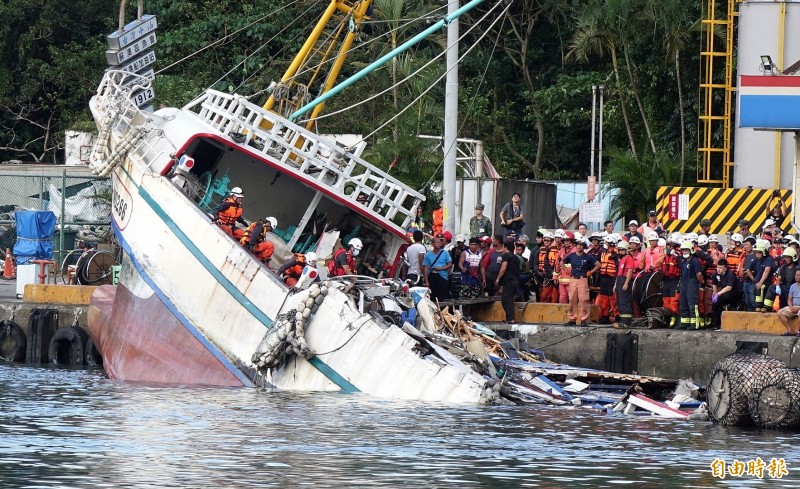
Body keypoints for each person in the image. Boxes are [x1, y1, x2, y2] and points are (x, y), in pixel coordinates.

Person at [562, 238, 600, 326]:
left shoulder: (588, 256)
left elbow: (598, 265)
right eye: (578, 245)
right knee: (572, 299)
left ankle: (584, 319)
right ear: (576, 245)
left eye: (581, 245)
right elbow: (561, 262)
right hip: (573, 279)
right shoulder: (571, 255)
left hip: (583, 279)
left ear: (583, 246)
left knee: (583, 299)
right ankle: (572, 319)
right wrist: (566, 271)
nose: (579, 247)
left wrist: (590, 272)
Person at [677, 241, 704, 330]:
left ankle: (695, 324)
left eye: (686, 250)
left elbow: (699, 274)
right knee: (683, 303)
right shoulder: (684, 260)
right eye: (683, 250)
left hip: (692, 284)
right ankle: (685, 323)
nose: (684, 252)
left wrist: (701, 282)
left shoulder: (694, 260)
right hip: (684, 284)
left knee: (693, 304)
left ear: (691, 250)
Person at [595, 235, 619, 324]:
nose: (604, 244)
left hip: (611, 278)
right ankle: (604, 316)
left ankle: (617, 316)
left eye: (606, 242)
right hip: (603, 278)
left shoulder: (616, 254)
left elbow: (618, 267)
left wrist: (616, 280)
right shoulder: (603, 252)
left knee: (613, 299)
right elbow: (597, 262)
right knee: (603, 298)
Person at [495, 239, 521, 323]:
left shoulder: (506, 256)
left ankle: (510, 319)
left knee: (506, 300)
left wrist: (498, 278)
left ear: (505, 248)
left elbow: (503, 268)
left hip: (509, 281)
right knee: (509, 299)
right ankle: (509, 318)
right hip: (515, 281)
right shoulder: (516, 258)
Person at [710, 259, 739, 330]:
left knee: (726, 296)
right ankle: (716, 324)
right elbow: (714, 284)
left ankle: (734, 306)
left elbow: (729, 287)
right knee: (715, 304)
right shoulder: (715, 274)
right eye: (718, 267)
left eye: (720, 268)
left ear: (725, 268)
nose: (718, 269)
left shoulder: (730, 274)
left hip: (734, 292)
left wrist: (718, 294)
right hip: (723, 292)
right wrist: (715, 293)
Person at [423, 234, 453, 302]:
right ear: (433, 244)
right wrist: (426, 281)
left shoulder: (445, 253)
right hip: (432, 276)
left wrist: (441, 268)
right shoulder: (428, 255)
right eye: (436, 242)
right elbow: (426, 268)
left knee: (442, 297)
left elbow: (450, 265)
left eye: (439, 242)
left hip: (442, 277)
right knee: (432, 297)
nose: (438, 244)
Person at [748, 242, 774, 312]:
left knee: (765, 294)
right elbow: (748, 270)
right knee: (755, 298)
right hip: (757, 283)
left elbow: (767, 271)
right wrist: (754, 280)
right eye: (756, 253)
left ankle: (766, 308)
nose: (757, 255)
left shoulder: (769, 259)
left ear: (764, 252)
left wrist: (760, 282)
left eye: (759, 253)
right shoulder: (755, 260)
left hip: (767, 282)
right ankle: (758, 306)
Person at [615, 240, 635, 327]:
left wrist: (626, 283)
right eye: (619, 250)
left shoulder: (629, 258)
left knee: (625, 301)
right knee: (620, 301)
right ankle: (622, 320)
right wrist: (616, 284)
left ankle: (626, 322)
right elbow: (619, 272)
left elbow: (630, 271)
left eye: (622, 250)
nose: (620, 251)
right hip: (620, 280)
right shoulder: (622, 259)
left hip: (624, 280)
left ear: (626, 250)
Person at [662, 237, 682, 325]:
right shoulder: (666, 256)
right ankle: (667, 316)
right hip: (667, 280)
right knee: (666, 299)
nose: (668, 248)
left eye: (670, 246)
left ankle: (675, 317)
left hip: (675, 280)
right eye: (668, 246)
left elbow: (681, 269)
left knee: (674, 300)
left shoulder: (678, 256)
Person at [534, 233, 558, 303]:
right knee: (544, 296)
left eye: (548, 240)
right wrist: (539, 273)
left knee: (554, 296)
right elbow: (535, 264)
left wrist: (553, 273)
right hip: (542, 276)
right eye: (545, 240)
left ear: (552, 241)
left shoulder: (557, 250)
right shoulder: (539, 251)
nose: (546, 242)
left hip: (554, 275)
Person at [777, 270, 800, 336]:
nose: (796, 277)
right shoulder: (793, 286)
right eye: (796, 275)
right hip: (793, 307)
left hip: (799, 308)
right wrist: (791, 307)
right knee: (780, 312)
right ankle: (789, 330)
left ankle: (798, 331)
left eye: (798, 275)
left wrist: (798, 308)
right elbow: (789, 300)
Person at [740, 236, 757, 311]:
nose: (745, 247)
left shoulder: (756, 256)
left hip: (752, 282)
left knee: (753, 301)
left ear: (752, 246)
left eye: (747, 245)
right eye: (745, 245)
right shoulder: (745, 256)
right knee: (747, 301)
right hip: (745, 281)